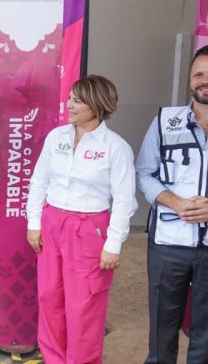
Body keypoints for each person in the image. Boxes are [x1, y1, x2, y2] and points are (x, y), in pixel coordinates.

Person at [26, 75, 137, 364]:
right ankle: (53, 359)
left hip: (89, 229)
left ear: (97, 105)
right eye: (70, 98)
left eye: (77, 100)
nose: (69, 104)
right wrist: (34, 223)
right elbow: (39, 181)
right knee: (49, 297)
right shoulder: (56, 137)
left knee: (84, 305)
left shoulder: (116, 147)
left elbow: (124, 200)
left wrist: (113, 244)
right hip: (52, 224)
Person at [136, 44, 208, 364]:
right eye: (199, 74)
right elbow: (144, 173)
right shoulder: (165, 121)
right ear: (190, 79)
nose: (206, 80)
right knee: (161, 331)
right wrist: (173, 202)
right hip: (168, 243)